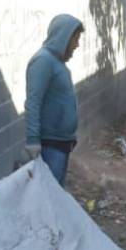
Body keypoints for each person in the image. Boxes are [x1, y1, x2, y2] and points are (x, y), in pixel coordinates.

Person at [22, 14, 84, 186]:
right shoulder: (43, 61)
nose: (77, 45)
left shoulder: (57, 63)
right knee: (47, 197)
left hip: (61, 144)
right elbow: (33, 103)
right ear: (64, 37)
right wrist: (33, 140)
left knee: (54, 196)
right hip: (50, 146)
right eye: (76, 39)